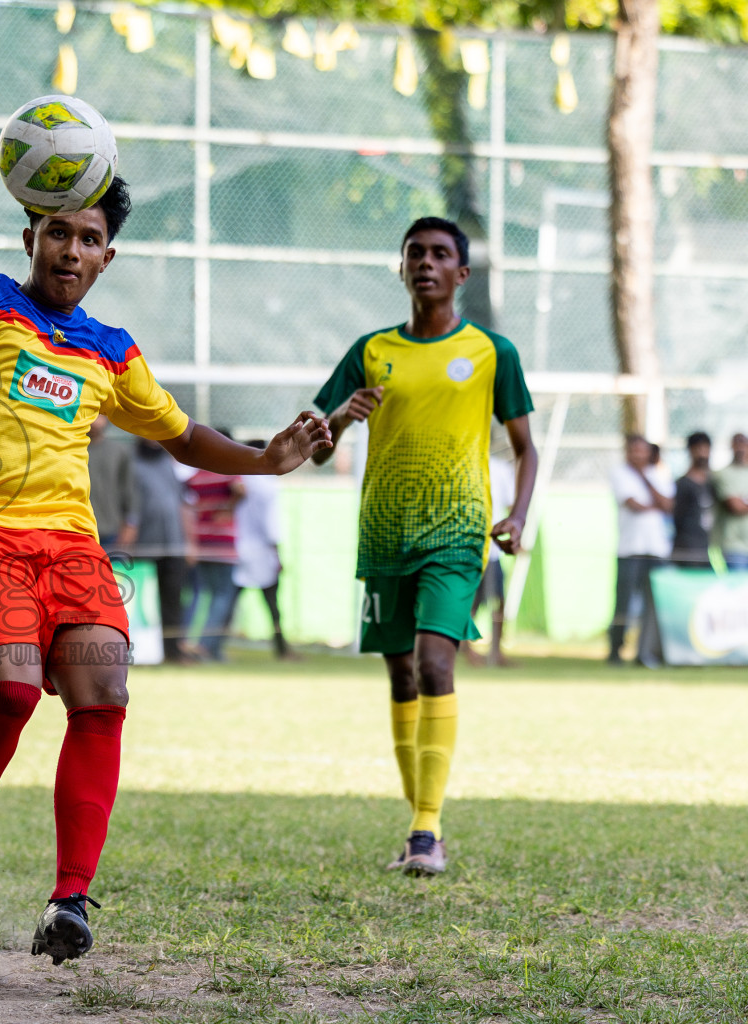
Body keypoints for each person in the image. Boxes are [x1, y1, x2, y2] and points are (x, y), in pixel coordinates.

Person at [0, 177, 332, 966]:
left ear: (106, 256)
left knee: (105, 690)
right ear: (30, 239)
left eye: (88, 239)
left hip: (71, 550)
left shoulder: (111, 349)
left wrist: (264, 460)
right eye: (58, 233)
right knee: (12, 689)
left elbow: (182, 434)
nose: (71, 250)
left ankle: (70, 900)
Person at [312, 216, 537, 878]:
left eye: (441, 255)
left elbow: (526, 450)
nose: (427, 263)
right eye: (416, 253)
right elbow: (315, 448)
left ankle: (427, 829)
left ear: (461, 274)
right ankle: (419, 818)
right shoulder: (371, 349)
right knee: (401, 674)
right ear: (402, 267)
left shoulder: (494, 352)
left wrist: (519, 516)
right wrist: (338, 421)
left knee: (437, 664)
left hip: (459, 532)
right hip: (385, 532)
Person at [607, 434, 674, 666]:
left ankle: (647, 653)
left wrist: (646, 480)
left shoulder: (658, 475)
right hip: (630, 549)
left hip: (657, 549)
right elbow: (635, 504)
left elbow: (668, 505)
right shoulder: (619, 473)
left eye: (642, 450)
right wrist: (655, 502)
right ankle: (615, 651)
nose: (638, 455)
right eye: (633, 450)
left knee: (654, 606)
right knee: (624, 603)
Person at [132, 437, 197, 663]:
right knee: (144, 604)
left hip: (174, 545)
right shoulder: (131, 463)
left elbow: (182, 505)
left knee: (173, 601)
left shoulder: (169, 465)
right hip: (143, 547)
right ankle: (144, 652)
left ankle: (173, 651)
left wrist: (189, 543)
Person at [233, 439, 295, 660]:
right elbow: (272, 528)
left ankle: (209, 646)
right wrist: (278, 556)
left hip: (237, 547)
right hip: (262, 552)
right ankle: (282, 650)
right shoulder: (268, 486)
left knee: (227, 602)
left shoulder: (239, 480)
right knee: (272, 605)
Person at [182, 437, 244, 660]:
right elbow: (241, 490)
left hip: (200, 541)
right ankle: (206, 647)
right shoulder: (228, 472)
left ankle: (187, 643)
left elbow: (187, 503)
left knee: (198, 595)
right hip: (223, 543)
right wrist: (228, 509)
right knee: (222, 596)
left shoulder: (196, 477)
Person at [465, 452, 517, 668]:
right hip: (466, 548)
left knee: (498, 601)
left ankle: (496, 651)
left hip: (492, 549)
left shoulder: (501, 468)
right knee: (469, 602)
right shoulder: (463, 464)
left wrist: (515, 532)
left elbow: (510, 505)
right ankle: (464, 648)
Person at [86, 415, 139, 550]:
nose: (96, 420)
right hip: (78, 530)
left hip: (112, 533)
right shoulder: (70, 450)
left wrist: (130, 525)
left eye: (100, 415)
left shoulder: (119, 451)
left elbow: (130, 491)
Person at [671, 431, 714, 568]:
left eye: (705, 448)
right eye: (698, 448)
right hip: (687, 550)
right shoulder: (682, 484)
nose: (702, 453)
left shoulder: (714, 482)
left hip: (709, 548)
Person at [713, 433, 748, 572]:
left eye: (743, 443)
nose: (740, 448)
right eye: (737, 444)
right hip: (734, 547)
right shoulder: (722, 473)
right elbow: (736, 506)